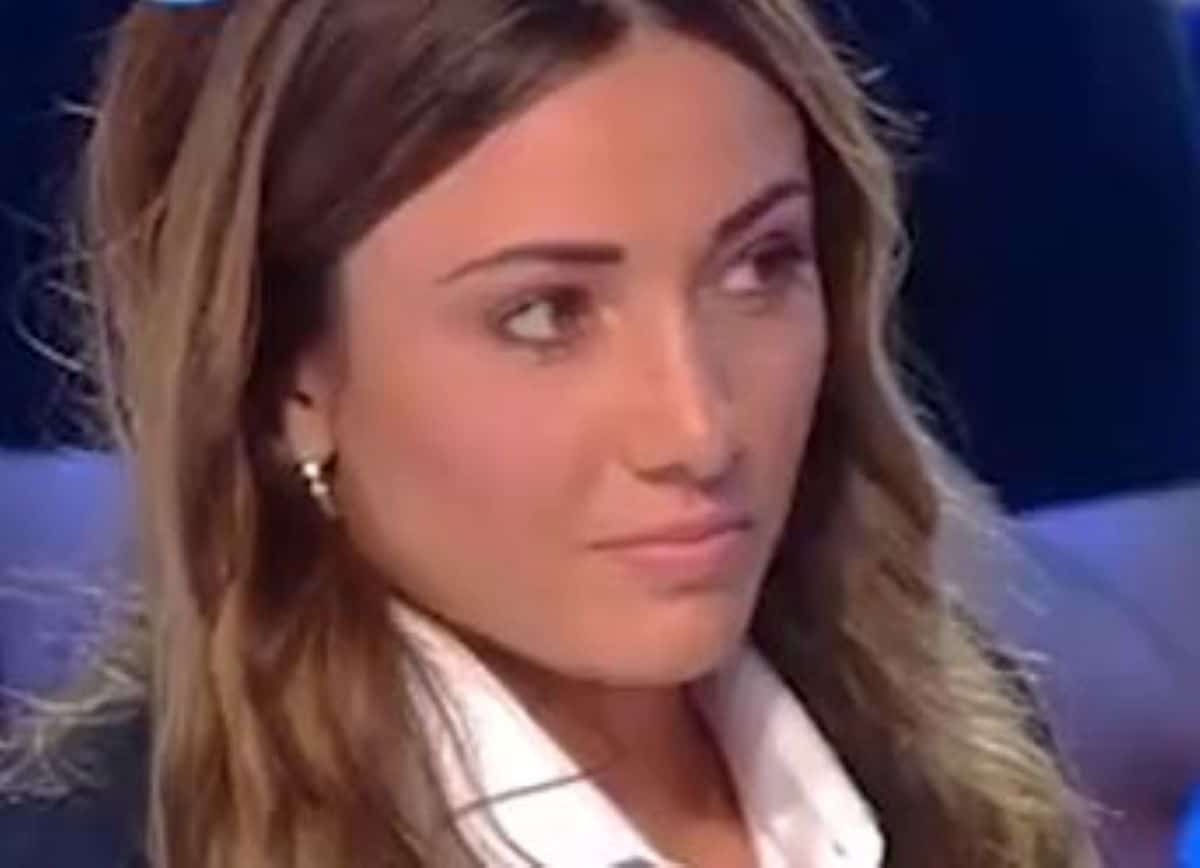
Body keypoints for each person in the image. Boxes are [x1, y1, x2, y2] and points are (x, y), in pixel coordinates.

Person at [1, 0, 1097, 866]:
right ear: (289, 378)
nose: (698, 430)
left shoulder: (949, 753)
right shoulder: (107, 844)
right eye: (543, 316)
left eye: (759, 268)